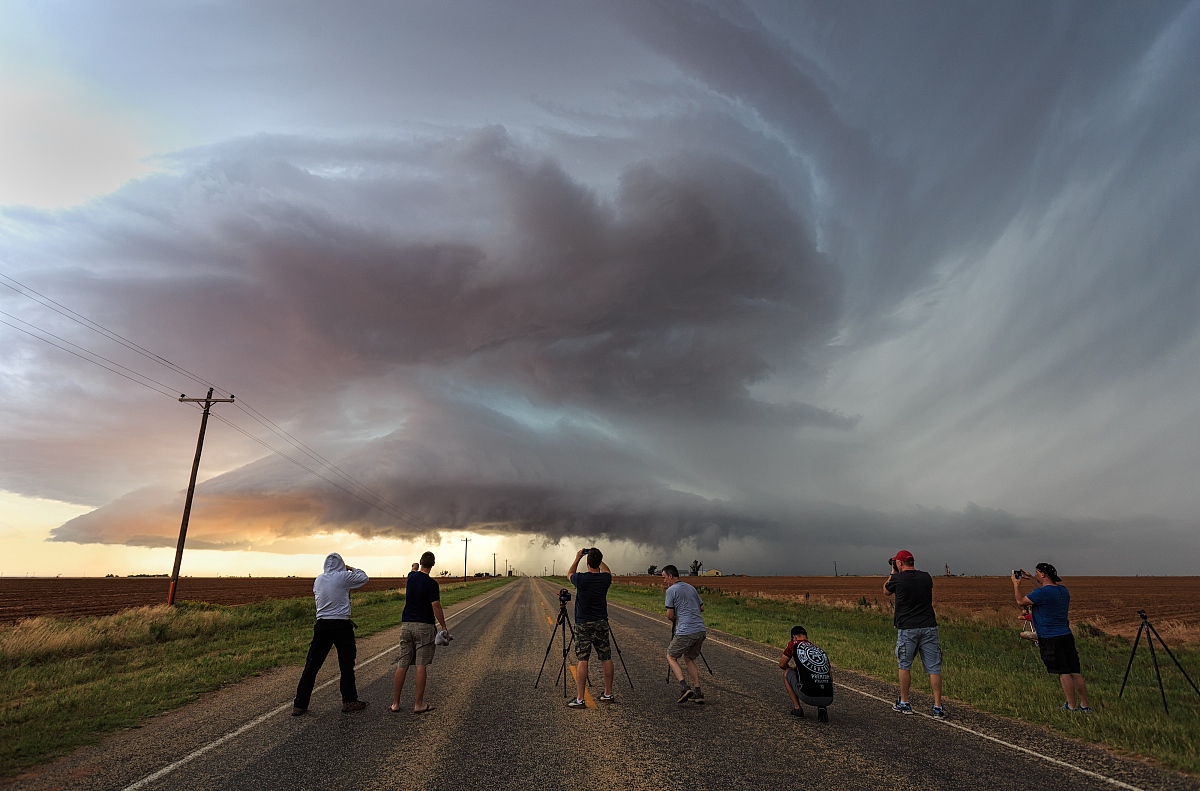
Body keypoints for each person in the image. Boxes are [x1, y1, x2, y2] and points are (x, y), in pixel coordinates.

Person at [292, 553, 370, 715]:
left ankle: (300, 704)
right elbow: (363, 578)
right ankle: (349, 701)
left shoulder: (319, 580)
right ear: (341, 565)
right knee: (346, 664)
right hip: (341, 624)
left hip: (321, 625)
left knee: (312, 665)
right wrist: (350, 568)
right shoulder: (343, 577)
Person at [1013, 563, 1090, 713]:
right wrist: (1030, 579)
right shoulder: (1063, 591)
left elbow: (1020, 601)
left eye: (1037, 573)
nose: (1035, 575)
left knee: (1063, 672)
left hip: (1050, 637)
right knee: (1075, 671)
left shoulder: (1042, 594)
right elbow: (1046, 588)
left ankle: (1071, 706)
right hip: (1066, 635)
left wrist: (1016, 585)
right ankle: (1085, 706)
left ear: (1042, 574)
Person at [883, 549, 946, 717]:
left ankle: (905, 701)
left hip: (907, 628)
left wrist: (893, 572)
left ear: (900, 563)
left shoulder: (897, 578)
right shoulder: (926, 577)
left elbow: (886, 591)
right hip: (928, 626)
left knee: (904, 664)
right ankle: (938, 706)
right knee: (934, 667)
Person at [391, 551, 450, 714]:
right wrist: (444, 626)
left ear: (420, 562)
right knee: (420, 664)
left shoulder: (411, 577)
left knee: (402, 663)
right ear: (433, 564)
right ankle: (418, 704)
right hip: (424, 626)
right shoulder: (432, 584)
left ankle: (395, 703)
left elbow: (413, 569)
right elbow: (436, 605)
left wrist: (414, 567)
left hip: (406, 625)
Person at [567, 547, 614, 708]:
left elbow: (569, 574)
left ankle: (580, 698)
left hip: (583, 623)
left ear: (587, 563)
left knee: (583, 659)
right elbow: (608, 571)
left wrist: (578, 557)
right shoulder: (605, 579)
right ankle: (608, 694)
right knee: (606, 657)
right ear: (599, 562)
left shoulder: (581, 579)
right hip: (601, 621)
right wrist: (597, 558)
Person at [661, 564, 707, 704]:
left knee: (671, 656)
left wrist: (678, 617)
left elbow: (670, 615)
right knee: (688, 658)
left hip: (686, 630)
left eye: (664, 577)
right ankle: (698, 692)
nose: (664, 581)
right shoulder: (690, 587)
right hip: (700, 629)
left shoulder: (671, 591)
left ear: (670, 576)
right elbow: (702, 607)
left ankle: (684, 686)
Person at [779, 626, 833, 722]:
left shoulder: (793, 644)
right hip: (828, 697)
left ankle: (797, 709)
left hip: (808, 696)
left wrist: (792, 669)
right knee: (819, 674)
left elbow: (782, 665)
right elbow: (830, 675)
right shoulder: (819, 650)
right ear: (806, 637)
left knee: (786, 672)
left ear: (794, 637)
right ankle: (822, 708)